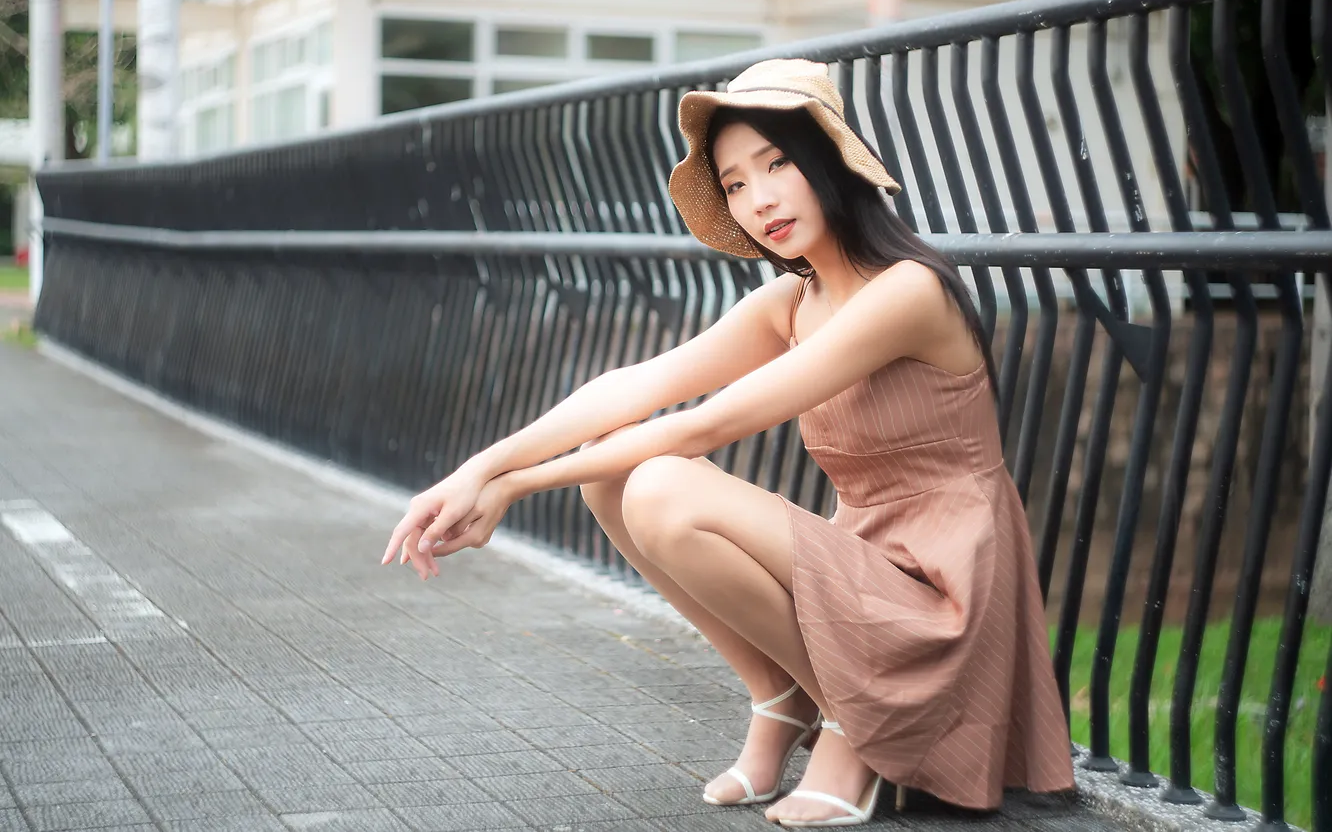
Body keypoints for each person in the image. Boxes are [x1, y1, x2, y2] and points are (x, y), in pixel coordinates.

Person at [382, 58, 1076, 827]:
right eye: (736, 183)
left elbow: (704, 425)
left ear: (831, 163)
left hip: (939, 603)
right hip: (864, 572)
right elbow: (634, 385)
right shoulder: (793, 299)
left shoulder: (907, 291)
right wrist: (476, 469)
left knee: (659, 483)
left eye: (777, 164)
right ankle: (781, 699)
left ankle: (849, 723)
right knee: (608, 481)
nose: (759, 199)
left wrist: (512, 489)